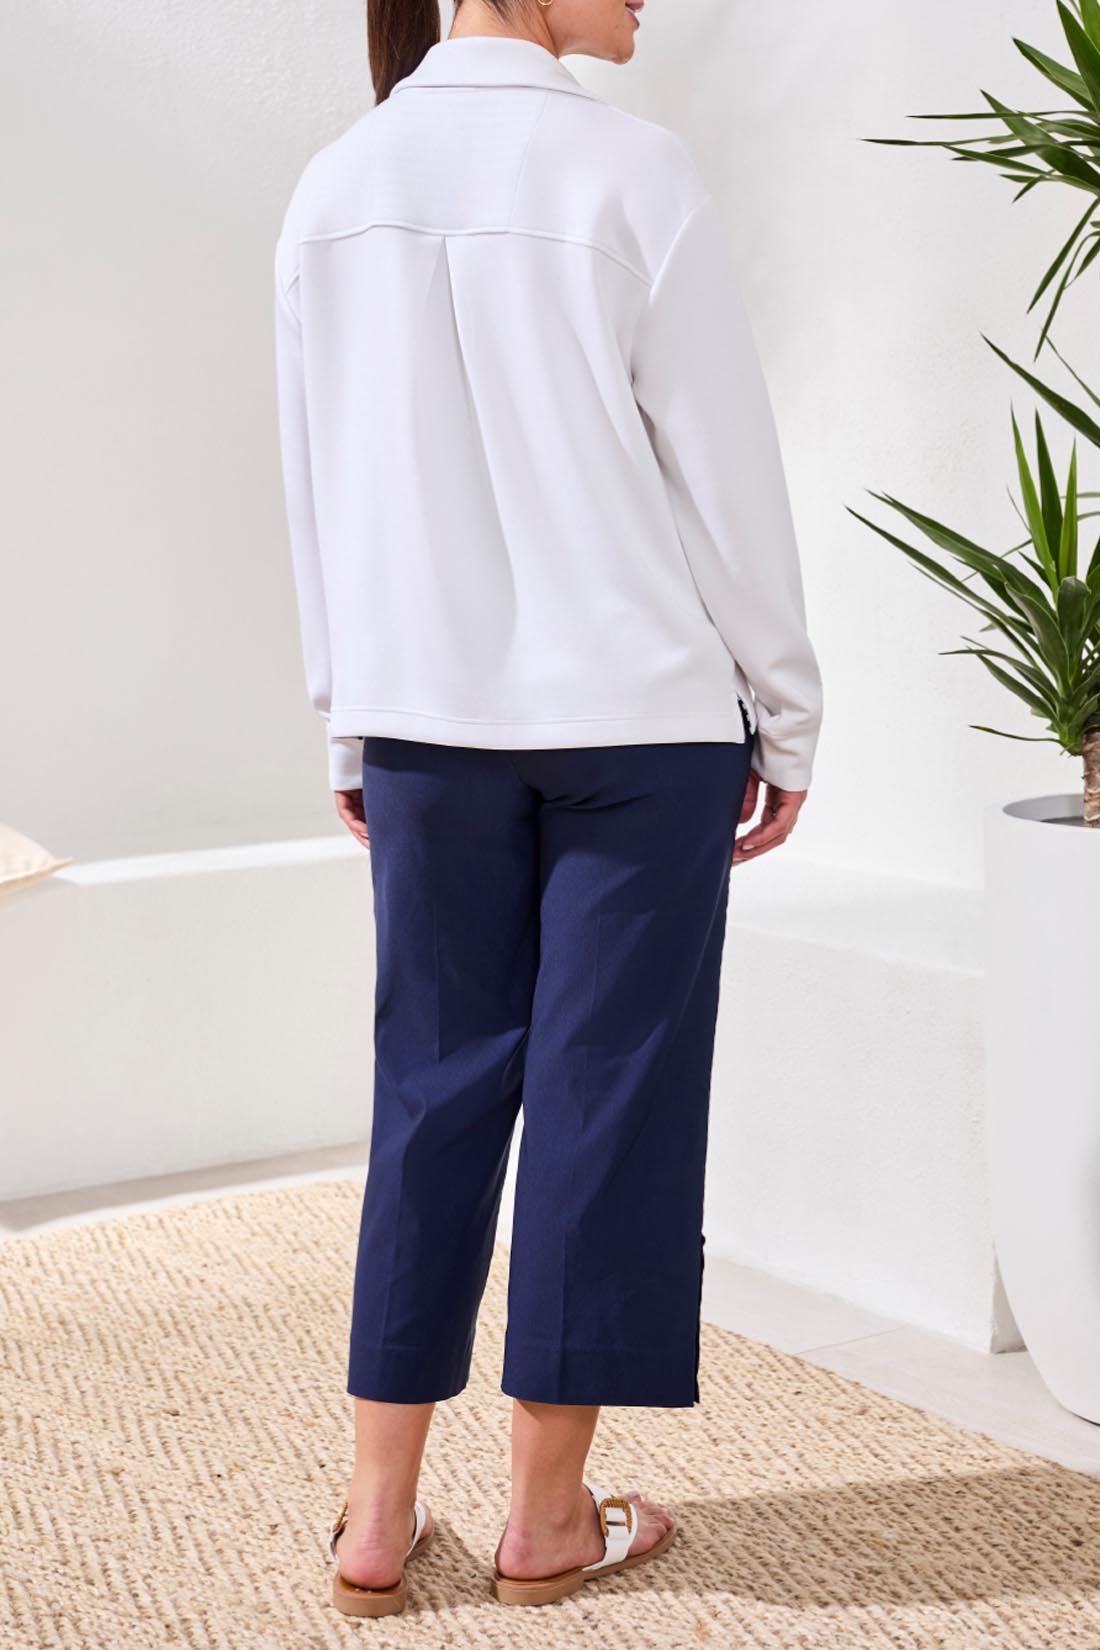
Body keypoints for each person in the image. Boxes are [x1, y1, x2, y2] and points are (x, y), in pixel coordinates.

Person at [273, 0, 823, 1618]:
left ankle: (378, 1521)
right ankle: (544, 1517)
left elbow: (319, 478)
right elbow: (726, 480)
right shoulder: (633, 175)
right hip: (640, 722)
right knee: (609, 1099)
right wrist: (787, 710)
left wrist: (349, 713)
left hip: (425, 722)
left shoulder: (339, 182)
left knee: (430, 1090)